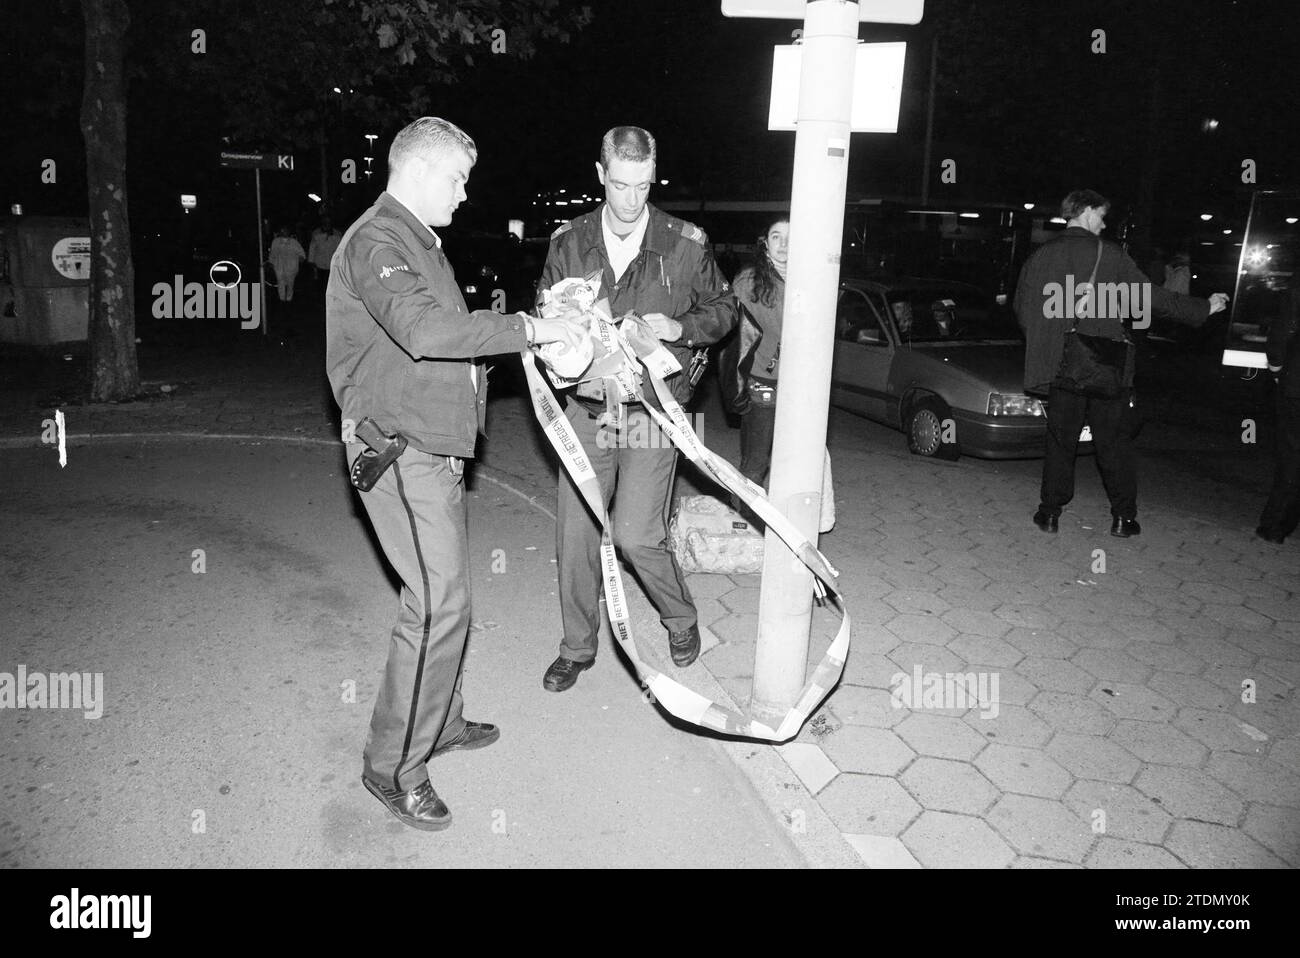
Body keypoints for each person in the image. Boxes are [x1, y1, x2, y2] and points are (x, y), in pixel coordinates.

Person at [325, 116, 582, 831]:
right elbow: (427, 333)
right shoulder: (379, 239)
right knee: (437, 607)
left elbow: (447, 334)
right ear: (415, 170)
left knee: (446, 599)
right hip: (399, 448)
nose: (465, 193)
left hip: (430, 449)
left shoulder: (417, 241)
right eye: (457, 177)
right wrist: (531, 329)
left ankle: (438, 722)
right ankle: (393, 766)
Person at [538, 126, 737, 692]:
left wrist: (682, 326)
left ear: (654, 177)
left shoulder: (685, 242)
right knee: (575, 532)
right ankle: (577, 647)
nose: (631, 200)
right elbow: (544, 312)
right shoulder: (568, 242)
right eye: (620, 185)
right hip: (586, 408)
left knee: (634, 536)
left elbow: (725, 309)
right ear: (600, 174)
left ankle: (681, 618)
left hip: (651, 412)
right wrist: (561, 332)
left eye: (643, 186)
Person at [1015, 189, 1227, 537]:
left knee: (1060, 442)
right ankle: (1123, 519)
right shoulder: (1109, 255)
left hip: (1060, 368)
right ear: (1085, 212)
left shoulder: (1040, 256)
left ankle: (1050, 513)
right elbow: (1149, 298)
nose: (1103, 222)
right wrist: (1203, 308)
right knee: (1112, 443)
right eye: (1101, 215)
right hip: (1102, 365)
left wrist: (1051, 343)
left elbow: (1023, 311)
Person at [724, 216, 789, 489]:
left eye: (790, 237)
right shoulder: (751, 281)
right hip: (763, 381)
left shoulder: (809, 279)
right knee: (756, 462)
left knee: (792, 460)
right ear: (765, 244)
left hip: (796, 387)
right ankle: (744, 522)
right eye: (776, 237)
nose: (784, 244)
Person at [1257, 281, 1300, 543]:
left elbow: (1282, 332)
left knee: (1291, 455)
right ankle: (1286, 521)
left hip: (1296, 385)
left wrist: (1276, 368)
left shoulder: (1296, 291)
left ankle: (1274, 525)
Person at [269, 225, 305, 303]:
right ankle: (281, 300)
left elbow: (301, 252)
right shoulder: (276, 241)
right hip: (279, 266)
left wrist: (301, 258)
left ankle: (289, 300)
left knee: (290, 284)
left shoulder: (294, 242)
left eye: (285, 231)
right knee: (280, 283)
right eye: (282, 231)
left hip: (291, 267)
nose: (284, 232)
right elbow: (272, 253)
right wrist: (271, 262)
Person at [308, 217, 343, 285]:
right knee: (320, 283)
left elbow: (340, 248)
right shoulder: (316, 233)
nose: (327, 224)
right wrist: (311, 261)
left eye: (328, 222)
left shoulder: (337, 234)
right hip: (319, 263)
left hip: (332, 262)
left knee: (331, 283)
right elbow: (312, 248)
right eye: (325, 222)